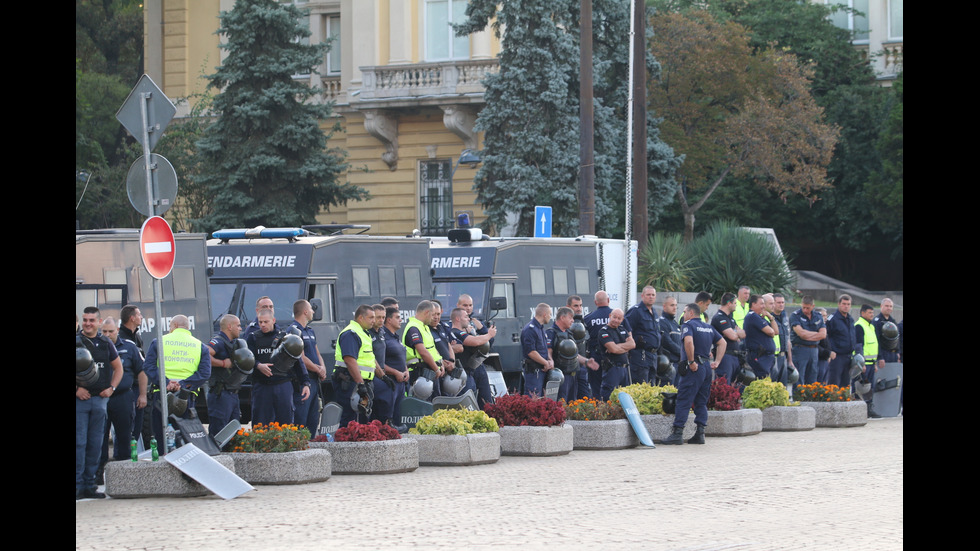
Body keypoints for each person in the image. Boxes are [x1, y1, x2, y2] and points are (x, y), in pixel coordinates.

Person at [143, 315, 211, 456]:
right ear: (187, 327)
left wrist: (166, 383)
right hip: (186, 398)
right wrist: (183, 384)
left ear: (173, 326)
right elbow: (205, 373)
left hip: (161, 396)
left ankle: (164, 463)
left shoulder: (159, 342)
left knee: (161, 434)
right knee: (186, 435)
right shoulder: (200, 346)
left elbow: (148, 366)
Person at [76, 307, 123, 499]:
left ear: (99, 321)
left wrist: (111, 388)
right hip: (80, 401)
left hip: (100, 401)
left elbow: (118, 369)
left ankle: (90, 485)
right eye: (85, 320)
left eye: (91, 320)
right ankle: (78, 485)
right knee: (79, 443)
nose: (88, 323)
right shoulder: (76, 341)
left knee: (96, 444)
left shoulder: (106, 343)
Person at [663, 304, 725, 445]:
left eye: (685, 312)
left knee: (684, 399)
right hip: (706, 367)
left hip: (694, 368)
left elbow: (689, 341)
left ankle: (677, 433)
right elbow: (723, 342)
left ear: (691, 313)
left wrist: (691, 361)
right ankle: (700, 433)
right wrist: (717, 361)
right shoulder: (708, 327)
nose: (683, 315)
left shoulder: (688, 325)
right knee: (701, 401)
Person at [98, 318, 147, 480]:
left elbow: (141, 371)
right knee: (99, 438)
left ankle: (125, 475)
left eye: (110, 331)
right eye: (104, 331)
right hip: (101, 398)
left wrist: (142, 394)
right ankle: (98, 474)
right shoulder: (96, 346)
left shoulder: (129, 347)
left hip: (123, 397)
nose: (107, 334)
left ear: (117, 330)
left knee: (125, 436)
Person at [248, 309, 308, 426]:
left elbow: (298, 361)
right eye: (260, 322)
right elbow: (248, 359)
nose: (263, 325)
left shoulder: (285, 337)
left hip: (282, 384)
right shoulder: (253, 338)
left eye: (266, 321)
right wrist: (258, 365)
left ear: (273, 320)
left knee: (286, 423)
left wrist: (305, 383)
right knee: (260, 423)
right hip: (262, 386)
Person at [334, 305, 390, 426]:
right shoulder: (351, 333)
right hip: (350, 381)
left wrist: (382, 376)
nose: (374, 321)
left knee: (363, 419)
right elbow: (350, 360)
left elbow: (370, 359)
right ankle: (346, 444)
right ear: (360, 317)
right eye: (371, 318)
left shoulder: (364, 333)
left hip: (362, 382)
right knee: (350, 419)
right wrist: (360, 384)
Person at [449, 306, 497, 408]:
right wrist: (489, 335)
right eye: (466, 316)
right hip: (462, 375)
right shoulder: (456, 332)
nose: (468, 318)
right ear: (458, 318)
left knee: (479, 402)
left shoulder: (461, 332)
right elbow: (475, 341)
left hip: (470, 373)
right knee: (468, 406)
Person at [205, 314, 244, 439]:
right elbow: (205, 353)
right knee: (219, 433)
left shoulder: (233, 343)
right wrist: (222, 363)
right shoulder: (219, 341)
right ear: (229, 326)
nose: (241, 328)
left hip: (232, 393)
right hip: (220, 394)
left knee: (234, 432)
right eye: (238, 325)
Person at [290, 300, 326, 434]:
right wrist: (318, 369)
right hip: (303, 381)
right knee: (301, 419)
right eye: (311, 309)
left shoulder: (310, 331)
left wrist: (323, 368)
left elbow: (317, 352)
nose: (313, 312)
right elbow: (301, 357)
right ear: (305, 311)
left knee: (313, 419)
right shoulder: (294, 330)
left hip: (315, 380)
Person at [402, 300, 444, 397]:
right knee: (424, 407)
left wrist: (440, 363)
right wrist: (436, 369)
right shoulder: (413, 328)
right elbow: (423, 352)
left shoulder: (424, 327)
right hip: (420, 373)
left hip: (430, 372)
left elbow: (432, 349)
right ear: (426, 313)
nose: (433, 318)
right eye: (432, 315)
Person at [545, 306, 587, 403]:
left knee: (572, 402)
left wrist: (587, 361)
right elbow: (548, 351)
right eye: (570, 318)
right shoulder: (551, 333)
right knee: (561, 403)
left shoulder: (570, 333)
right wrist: (550, 361)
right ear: (562, 318)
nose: (572, 321)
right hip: (560, 376)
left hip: (573, 374)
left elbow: (575, 353)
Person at [377, 306, 409, 424]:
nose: (401, 320)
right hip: (389, 382)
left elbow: (401, 357)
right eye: (397, 317)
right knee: (388, 416)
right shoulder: (382, 336)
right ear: (389, 320)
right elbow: (378, 362)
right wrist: (395, 372)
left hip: (401, 382)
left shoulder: (395, 336)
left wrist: (406, 370)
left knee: (399, 414)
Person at [625, 286, 661, 385]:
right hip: (640, 356)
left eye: (653, 295)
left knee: (651, 387)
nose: (651, 297)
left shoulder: (654, 312)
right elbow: (625, 329)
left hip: (653, 356)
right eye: (648, 294)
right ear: (642, 296)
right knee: (641, 387)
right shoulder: (635, 311)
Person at [598, 308, 635, 401]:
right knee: (608, 397)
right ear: (610, 316)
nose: (616, 320)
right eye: (614, 317)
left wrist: (618, 346)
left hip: (624, 369)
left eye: (619, 318)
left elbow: (633, 344)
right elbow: (613, 349)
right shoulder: (604, 331)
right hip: (612, 369)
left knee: (626, 397)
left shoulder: (622, 329)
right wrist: (625, 348)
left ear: (622, 320)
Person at [790, 296, 826, 387]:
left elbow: (823, 335)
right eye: (803, 307)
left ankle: (810, 397)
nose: (805, 310)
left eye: (808, 308)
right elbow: (801, 334)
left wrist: (808, 335)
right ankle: (799, 397)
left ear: (813, 306)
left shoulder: (818, 316)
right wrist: (816, 335)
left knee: (813, 375)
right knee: (799, 376)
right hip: (800, 349)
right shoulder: (795, 315)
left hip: (814, 349)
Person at [854, 304, 884, 412]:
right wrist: (861, 363)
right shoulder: (859, 325)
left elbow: (874, 345)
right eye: (869, 312)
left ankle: (869, 408)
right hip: (864, 363)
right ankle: (862, 409)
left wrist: (875, 363)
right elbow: (859, 345)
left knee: (869, 387)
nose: (872, 315)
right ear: (862, 313)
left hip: (871, 363)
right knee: (862, 387)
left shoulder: (871, 326)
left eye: (872, 312)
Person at [521, 303, 554, 397]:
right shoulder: (530, 329)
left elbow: (544, 348)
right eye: (550, 314)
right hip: (533, 371)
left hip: (542, 370)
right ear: (544, 314)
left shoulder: (540, 329)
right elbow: (531, 352)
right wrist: (545, 363)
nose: (550, 317)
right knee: (533, 398)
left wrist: (550, 360)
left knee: (542, 399)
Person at [742, 295, 777, 381]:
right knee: (762, 382)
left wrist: (771, 318)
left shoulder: (759, 317)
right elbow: (771, 332)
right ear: (753, 304)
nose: (764, 306)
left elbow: (776, 332)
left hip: (767, 357)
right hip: (759, 357)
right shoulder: (752, 316)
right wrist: (771, 332)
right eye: (761, 304)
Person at [710, 293, 743, 384]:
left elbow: (741, 335)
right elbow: (732, 336)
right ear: (729, 303)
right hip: (725, 356)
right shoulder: (719, 317)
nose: (736, 305)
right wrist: (737, 334)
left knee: (734, 387)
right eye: (735, 303)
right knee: (723, 385)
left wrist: (737, 334)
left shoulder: (730, 318)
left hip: (734, 356)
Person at [567, 295, 596, 398]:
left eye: (580, 306)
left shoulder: (583, 321)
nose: (579, 309)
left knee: (585, 398)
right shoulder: (566, 325)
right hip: (570, 368)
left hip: (582, 367)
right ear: (568, 306)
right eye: (576, 306)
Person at [826, 294, 857, 388]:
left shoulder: (850, 319)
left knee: (846, 385)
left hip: (848, 356)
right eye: (844, 304)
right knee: (834, 383)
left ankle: (843, 402)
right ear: (839, 304)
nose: (846, 306)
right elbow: (826, 337)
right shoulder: (832, 319)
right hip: (836, 357)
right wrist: (829, 352)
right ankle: (832, 402)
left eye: (848, 304)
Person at [656, 296, 683, 386]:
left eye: (676, 305)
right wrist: (682, 352)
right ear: (664, 307)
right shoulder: (662, 322)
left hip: (678, 364)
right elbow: (667, 342)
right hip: (667, 365)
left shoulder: (675, 323)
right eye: (672, 305)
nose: (674, 308)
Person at [771, 293, 794, 386]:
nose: (781, 304)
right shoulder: (769, 318)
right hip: (773, 356)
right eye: (778, 302)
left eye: (783, 302)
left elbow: (787, 340)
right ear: (773, 303)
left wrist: (790, 360)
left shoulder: (784, 317)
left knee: (783, 386)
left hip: (783, 356)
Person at [873, 298, 900, 363]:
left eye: (891, 306)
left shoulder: (893, 321)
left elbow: (896, 338)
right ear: (881, 306)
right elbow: (877, 340)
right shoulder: (877, 321)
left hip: (893, 354)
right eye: (887, 306)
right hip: (883, 353)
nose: (889, 308)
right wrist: (880, 357)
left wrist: (898, 352)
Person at [815, 307, 832, 383]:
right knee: (819, 383)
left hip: (825, 359)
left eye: (825, 316)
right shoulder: (815, 328)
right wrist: (827, 353)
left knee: (824, 383)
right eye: (823, 316)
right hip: (819, 359)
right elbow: (816, 345)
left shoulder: (824, 327)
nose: (825, 318)